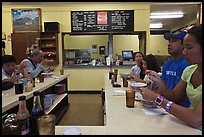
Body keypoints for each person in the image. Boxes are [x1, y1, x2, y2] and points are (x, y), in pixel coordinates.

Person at [141, 24, 202, 129]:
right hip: (186, 125)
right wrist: (158, 81)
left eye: (189, 47)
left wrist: (156, 98)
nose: (184, 52)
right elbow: (174, 97)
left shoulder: (184, 65)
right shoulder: (189, 71)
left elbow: (196, 119)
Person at [147, 29, 191, 107]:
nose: (169, 44)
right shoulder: (168, 64)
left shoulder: (188, 65)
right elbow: (161, 88)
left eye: (174, 41)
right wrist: (152, 101)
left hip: (181, 109)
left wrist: (155, 97)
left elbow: (176, 98)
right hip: (165, 106)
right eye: (169, 41)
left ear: (184, 45)